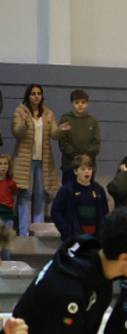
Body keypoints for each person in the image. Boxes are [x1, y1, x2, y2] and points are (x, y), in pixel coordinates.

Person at [11, 84, 65, 235]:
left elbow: (54, 134)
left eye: (39, 93)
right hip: (25, 160)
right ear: (28, 95)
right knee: (25, 195)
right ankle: (24, 232)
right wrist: (25, 125)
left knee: (41, 195)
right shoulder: (20, 111)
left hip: (43, 160)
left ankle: (38, 231)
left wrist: (61, 130)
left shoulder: (48, 113)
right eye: (33, 93)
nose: (36, 96)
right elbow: (16, 132)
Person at [50, 155, 109, 240]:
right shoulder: (67, 190)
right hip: (74, 237)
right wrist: (66, 229)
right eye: (83, 169)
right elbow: (56, 211)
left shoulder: (98, 190)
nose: (87, 172)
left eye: (89, 169)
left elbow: (105, 213)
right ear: (75, 171)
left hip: (95, 238)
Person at [56, 89, 101, 187]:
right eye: (77, 102)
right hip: (70, 166)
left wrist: (85, 157)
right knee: (69, 194)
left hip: (88, 166)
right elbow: (63, 141)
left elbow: (96, 142)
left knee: (87, 194)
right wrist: (75, 156)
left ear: (87, 104)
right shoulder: (66, 119)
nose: (80, 105)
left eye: (83, 102)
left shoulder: (93, 121)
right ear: (71, 104)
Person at [0, 155, 17, 231]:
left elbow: (14, 197)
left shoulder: (12, 183)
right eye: (0, 164)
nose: (3, 166)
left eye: (5, 163)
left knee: (7, 236)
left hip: (8, 212)